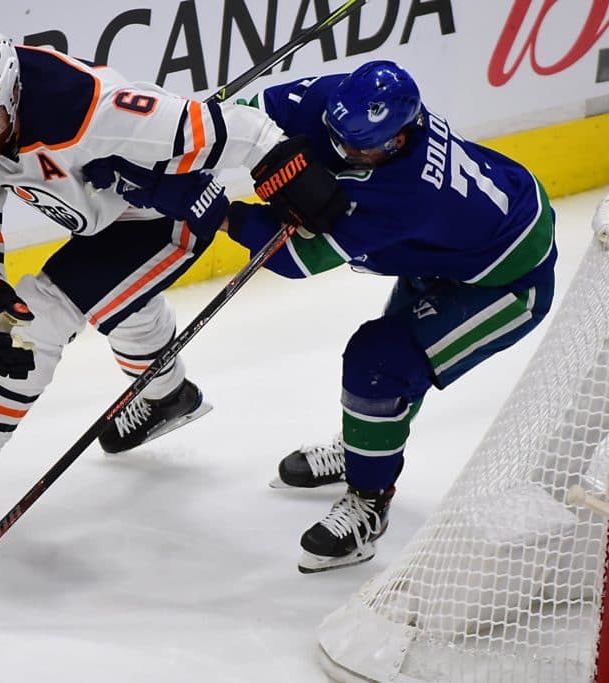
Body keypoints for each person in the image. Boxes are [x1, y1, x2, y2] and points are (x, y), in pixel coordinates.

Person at [96, 60, 557, 573]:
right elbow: (238, 119)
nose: (343, 151)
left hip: (504, 282)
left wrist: (210, 208)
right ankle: (365, 447)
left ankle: (370, 501)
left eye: (359, 148)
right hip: (447, 252)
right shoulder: (333, 101)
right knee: (390, 371)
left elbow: (297, 258)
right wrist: (165, 153)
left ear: (401, 137)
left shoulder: (409, 192)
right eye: (338, 137)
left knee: (380, 364)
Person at [0, 28, 345, 521]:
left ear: (13, 96)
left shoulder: (93, 111)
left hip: (167, 214)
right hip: (111, 220)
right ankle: (168, 397)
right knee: (123, 301)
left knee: (31, 330)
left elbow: (241, 129)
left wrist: (290, 169)